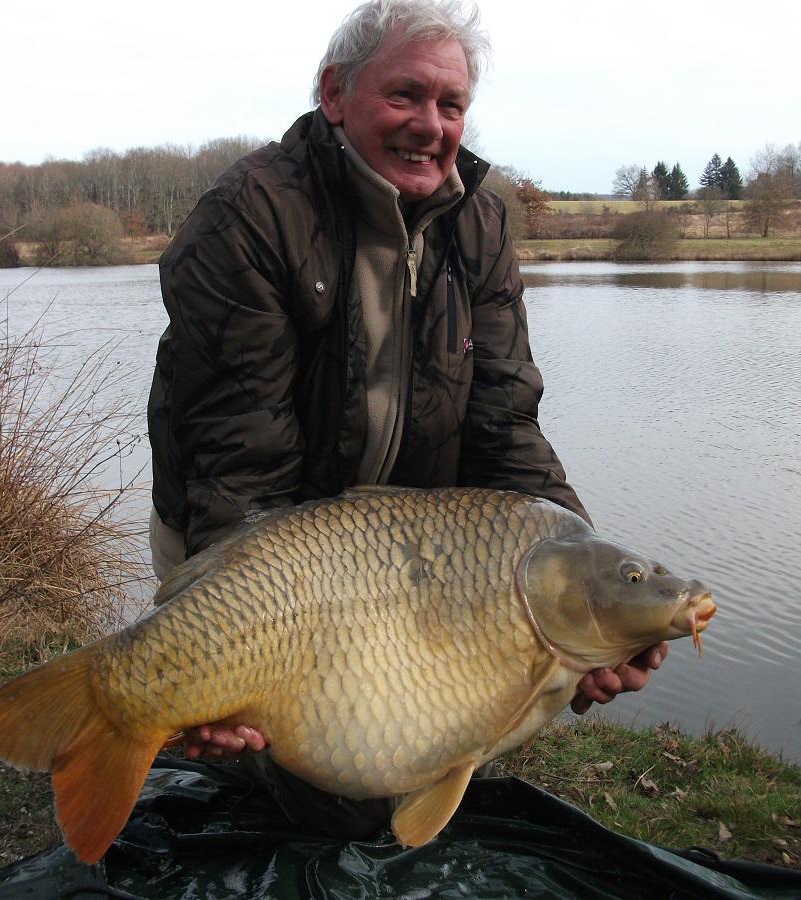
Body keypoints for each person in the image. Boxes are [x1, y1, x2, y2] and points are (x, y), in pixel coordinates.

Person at [146, 0, 665, 816]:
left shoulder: (481, 222)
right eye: (405, 96)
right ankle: (125, 708)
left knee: (406, 758)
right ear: (335, 94)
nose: (431, 125)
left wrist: (584, 581)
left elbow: (505, 426)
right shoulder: (248, 215)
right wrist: (227, 645)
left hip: (406, 557)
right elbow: (239, 461)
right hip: (254, 539)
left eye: (451, 105)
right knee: (284, 786)